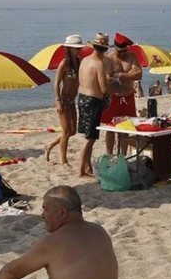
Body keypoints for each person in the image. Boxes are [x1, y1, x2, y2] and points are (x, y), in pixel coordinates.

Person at [44, 35, 85, 166]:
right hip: (64, 100)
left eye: (79, 48)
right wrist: (57, 101)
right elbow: (56, 83)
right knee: (66, 131)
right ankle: (63, 160)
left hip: (73, 101)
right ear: (69, 49)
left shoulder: (78, 62)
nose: (78, 51)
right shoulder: (64, 63)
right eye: (75, 48)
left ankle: (50, 145)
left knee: (72, 131)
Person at [77, 33, 112, 178]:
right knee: (90, 138)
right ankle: (80, 169)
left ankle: (88, 166)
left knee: (88, 135)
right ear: (104, 50)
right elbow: (104, 89)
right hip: (93, 100)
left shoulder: (84, 60)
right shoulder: (99, 64)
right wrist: (112, 88)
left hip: (81, 98)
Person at [102, 33, 142, 155]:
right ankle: (109, 154)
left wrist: (119, 75)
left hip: (128, 97)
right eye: (120, 51)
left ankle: (123, 155)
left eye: (125, 51)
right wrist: (128, 75)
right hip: (113, 97)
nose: (123, 54)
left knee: (126, 128)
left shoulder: (131, 56)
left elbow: (139, 74)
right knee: (110, 128)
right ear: (115, 48)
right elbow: (108, 79)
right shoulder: (109, 59)